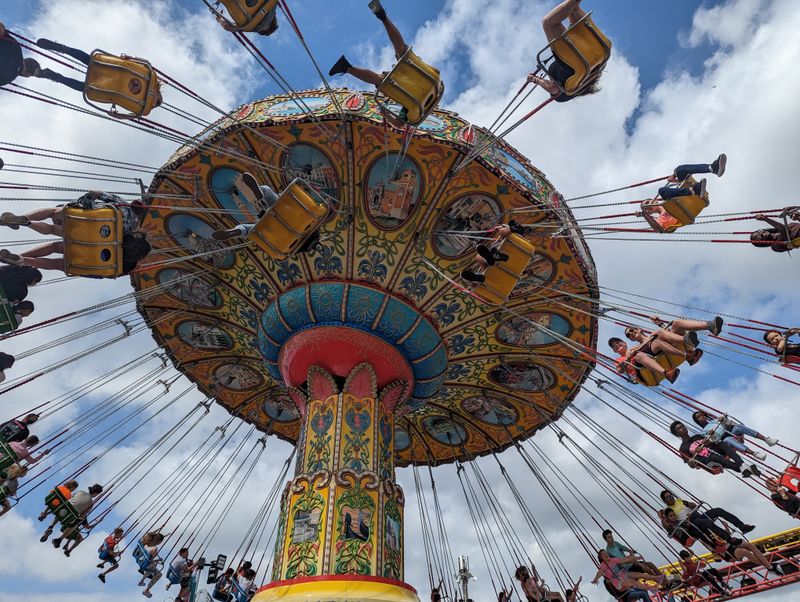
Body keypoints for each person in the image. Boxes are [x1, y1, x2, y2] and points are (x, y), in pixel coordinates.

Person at [329, 1, 421, 122]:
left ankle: (382, 16)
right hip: (419, 82)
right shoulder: (412, 107)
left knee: (398, 57)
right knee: (398, 57)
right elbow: (399, 124)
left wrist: (385, 113)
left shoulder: (411, 105)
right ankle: (346, 67)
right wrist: (385, 114)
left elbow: (399, 124)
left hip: (417, 81)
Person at [527, 0, 606, 102]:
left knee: (572, 9)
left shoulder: (579, 83)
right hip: (577, 60)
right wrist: (534, 79)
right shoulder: (565, 93)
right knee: (549, 23)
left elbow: (553, 88)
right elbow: (553, 89)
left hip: (599, 52)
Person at [641, 156, 726, 231]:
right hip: (685, 211)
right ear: (649, 213)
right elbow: (659, 230)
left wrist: (675, 177)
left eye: (647, 203)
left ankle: (712, 168)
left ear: (654, 200)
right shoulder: (660, 220)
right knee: (661, 191)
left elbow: (678, 189)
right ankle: (694, 190)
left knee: (679, 170)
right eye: (646, 208)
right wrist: (645, 216)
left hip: (689, 199)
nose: (648, 206)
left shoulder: (669, 196)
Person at [669, 420, 760, 477]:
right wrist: (691, 460)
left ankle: (744, 467)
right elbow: (692, 465)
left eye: (682, 426)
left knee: (721, 443)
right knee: (715, 458)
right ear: (677, 434)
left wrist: (710, 436)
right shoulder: (683, 448)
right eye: (679, 428)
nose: (683, 428)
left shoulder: (697, 436)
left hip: (715, 451)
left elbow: (710, 442)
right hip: (707, 460)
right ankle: (745, 468)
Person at [659, 490, 754, 542]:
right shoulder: (668, 510)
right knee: (707, 522)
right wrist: (662, 517)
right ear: (665, 500)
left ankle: (742, 526)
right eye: (668, 497)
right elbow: (669, 525)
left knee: (718, 510)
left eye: (671, 495)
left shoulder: (679, 501)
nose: (671, 498)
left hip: (697, 515)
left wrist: (689, 504)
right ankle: (729, 539)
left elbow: (694, 506)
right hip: (692, 523)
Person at [691, 410, 777, 460]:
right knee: (729, 440)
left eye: (702, 415)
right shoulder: (703, 431)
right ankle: (754, 453)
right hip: (724, 439)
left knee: (738, 427)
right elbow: (714, 440)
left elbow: (727, 423)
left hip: (730, 432)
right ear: (697, 421)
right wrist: (712, 435)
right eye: (699, 417)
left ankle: (766, 439)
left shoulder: (714, 420)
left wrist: (723, 418)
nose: (702, 417)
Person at [50, 483, 103, 556]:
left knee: (64, 512)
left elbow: (71, 499)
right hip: (69, 521)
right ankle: (62, 542)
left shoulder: (80, 491)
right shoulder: (90, 504)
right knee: (75, 526)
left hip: (64, 510)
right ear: (96, 493)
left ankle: (51, 526)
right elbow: (83, 518)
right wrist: (98, 522)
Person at [608, 337, 679, 384]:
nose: (616, 345)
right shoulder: (618, 360)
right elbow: (620, 370)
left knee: (656, 342)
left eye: (618, 342)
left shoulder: (635, 349)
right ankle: (666, 373)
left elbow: (645, 342)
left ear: (624, 343)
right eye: (613, 346)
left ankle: (681, 351)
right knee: (639, 356)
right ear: (614, 351)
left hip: (650, 362)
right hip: (641, 373)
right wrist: (628, 358)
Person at [591, 550, 664, 592]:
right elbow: (600, 572)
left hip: (622, 575)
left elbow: (623, 560)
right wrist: (595, 579)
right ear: (601, 557)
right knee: (634, 582)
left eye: (606, 553)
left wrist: (632, 558)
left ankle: (657, 578)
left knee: (639, 574)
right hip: (617, 581)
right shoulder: (603, 565)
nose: (606, 554)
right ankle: (652, 588)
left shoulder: (612, 560)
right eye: (603, 554)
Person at [138, 532, 165, 598]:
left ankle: (142, 581)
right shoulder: (155, 549)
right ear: (160, 541)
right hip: (145, 564)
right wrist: (159, 560)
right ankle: (147, 590)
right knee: (159, 574)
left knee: (153, 566)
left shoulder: (146, 542)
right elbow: (150, 561)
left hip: (140, 560)